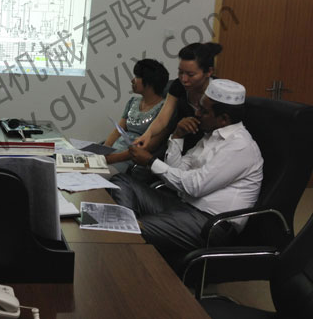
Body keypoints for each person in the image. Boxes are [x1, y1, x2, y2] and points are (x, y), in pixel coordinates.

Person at [110, 79, 263, 268]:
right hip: (181, 205)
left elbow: (195, 186)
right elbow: (176, 173)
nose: (196, 114)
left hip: (208, 223)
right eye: (199, 108)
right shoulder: (210, 136)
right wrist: (177, 136)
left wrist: (150, 161)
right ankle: (126, 227)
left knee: (130, 228)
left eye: (204, 111)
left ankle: (126, 235)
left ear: (223, 119)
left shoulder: (240, 146)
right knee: (121, 181)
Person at [134, 42, 222, 154]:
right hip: (183, 144)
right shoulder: (178, 86)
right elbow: (162, 119)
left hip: (212, 148)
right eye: (180, 72)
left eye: (190, 75)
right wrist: (148, 134)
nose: (184, 79)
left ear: (209, 72)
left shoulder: (220, 91)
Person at [103, 59, 169, 175]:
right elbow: (117, 131)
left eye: (137, 77)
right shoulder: (133, 102)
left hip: (129, 160)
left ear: (150, 82)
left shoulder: (164, 109)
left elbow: (150, 146)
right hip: (112, 154)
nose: (132, 80)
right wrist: (103, 150)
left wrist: (111, 159)